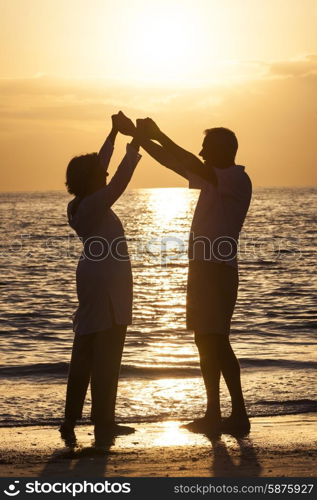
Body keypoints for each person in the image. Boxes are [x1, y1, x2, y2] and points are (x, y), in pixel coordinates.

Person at [134, 119, 252, 436]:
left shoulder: (236, 179)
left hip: (217, 269)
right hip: (204, 268)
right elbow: (174, 163)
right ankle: (214, 412)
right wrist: (141, 138)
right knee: (205, 340)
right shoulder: (213, 180)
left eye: (207, 148)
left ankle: (237, 414)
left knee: (217, 341)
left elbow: (185, 159)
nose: (201, 153)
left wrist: (157, 133)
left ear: (223, 151)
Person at [60, 112, 141, 448]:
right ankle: (103, 422)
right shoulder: (94, 203)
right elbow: (118, 179)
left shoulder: (81, 204)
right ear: (91, 179)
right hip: (105, 283)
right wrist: (135, 144)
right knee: (105, 352)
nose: (104, 173)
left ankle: (72, 420)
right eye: (99, 173)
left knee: (86, 349)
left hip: (95, 280)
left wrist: (112, 133)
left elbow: (101, 166)